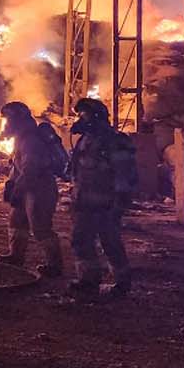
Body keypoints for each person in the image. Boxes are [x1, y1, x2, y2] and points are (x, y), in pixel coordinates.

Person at [67, 98, 134, 297]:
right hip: (85, 201)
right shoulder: (85, 140)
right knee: (81, 240)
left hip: (106, 203)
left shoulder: (114, 141)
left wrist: (120, 202)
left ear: (96, 117)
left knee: (110, 241)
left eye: (84, 115)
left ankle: (122, 282)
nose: (80, 119)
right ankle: (88, 280)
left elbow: (124, 173)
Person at [0, 101, 67, 278]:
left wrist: (18, 190)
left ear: (17, 121)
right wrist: (11, 184)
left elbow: (31, 169)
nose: (6, 124)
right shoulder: (21, 139)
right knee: (17, 222)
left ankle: (54, 264)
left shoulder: (31, 141)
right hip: (26, 187)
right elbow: (18, 166)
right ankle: (16, 256)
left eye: (8, 120)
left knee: (40, 226)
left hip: (39, 189)